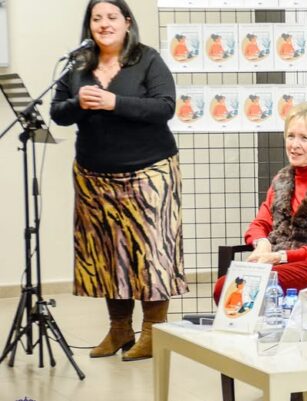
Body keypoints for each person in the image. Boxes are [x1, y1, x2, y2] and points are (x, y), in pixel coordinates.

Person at [50, 0, 185, 362]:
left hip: (149, 172)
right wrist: (80, 101)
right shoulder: (79, 63)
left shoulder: (147, 59)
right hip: (94, 176)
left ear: (127, 22)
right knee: (110, 255)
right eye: (97, 18)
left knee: (151, 254)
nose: (104, 24)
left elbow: (164, 106)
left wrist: (114, 102)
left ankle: (153, 333)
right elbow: (57, 113)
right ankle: (119, 329)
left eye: (112, 17)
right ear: (89, 25)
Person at [213, 103, 307, 301]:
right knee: (224, 286)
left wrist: (279, 256)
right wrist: (262, 244)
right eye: (291, 136)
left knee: (253, 285)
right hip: (282, 263)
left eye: (304, 138)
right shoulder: (282, 179)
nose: (294, 145)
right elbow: (259, 224)